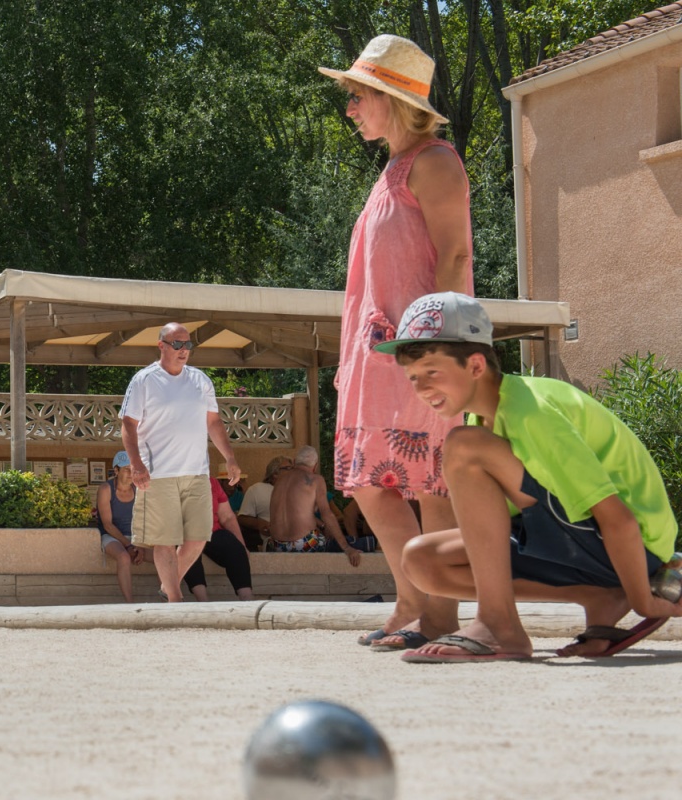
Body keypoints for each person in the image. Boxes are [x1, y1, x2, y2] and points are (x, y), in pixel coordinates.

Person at [380, 292, 682, 662]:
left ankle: (498, 626)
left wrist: (644, 601)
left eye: (432, 372)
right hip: (585, 547)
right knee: (422, 562)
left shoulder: (529, 411)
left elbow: (616, 517)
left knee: (464, 447)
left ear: (475, 366)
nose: (422, 389)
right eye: (412, 378)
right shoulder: (483, 420)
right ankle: (598, 596)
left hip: (634, 550)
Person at [320, 35, 475, 650]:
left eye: (357, 96)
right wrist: (348, 360)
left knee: (431, 482)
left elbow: (457, 255)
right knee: (367, 482)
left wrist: (439, 343)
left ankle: (439, 618)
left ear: (391, 97)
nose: (350, 108)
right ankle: (412, 598)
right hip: (375, 355)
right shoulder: (392, 169)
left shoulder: (435, 160)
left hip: (421, 350)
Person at [121, 322, 243, 602]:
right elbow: (128, 424)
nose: (184, 350)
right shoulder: (144, 379)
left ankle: (170, 585)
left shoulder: (201, 380)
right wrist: (136, 464)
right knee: (164, 540)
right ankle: (176, 600)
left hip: (197, 473)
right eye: (177, 344)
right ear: (161, 345)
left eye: (187, 344)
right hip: (158, 474)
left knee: (199, 537)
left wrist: (230, 458)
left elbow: (213, 421)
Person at [269, 446, 372, 567]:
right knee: (355, 544)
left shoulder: (280, 480)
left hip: (277, 545)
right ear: (315, 466)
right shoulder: (316, 480)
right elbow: (327, 514)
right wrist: (346, 548)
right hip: (304, 544)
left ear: (295, 461)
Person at [181, 474, 256, 601]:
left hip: (212, 531)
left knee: (235, 548)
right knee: (188, 550)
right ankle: (203, 603)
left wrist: (242, 546)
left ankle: (248, 600)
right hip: (184, 533)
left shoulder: (212, 483)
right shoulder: (175, 480)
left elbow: (227, 517)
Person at [95, 451, 146, 602]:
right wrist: (129, 545)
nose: (131, 474)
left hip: (134, 538)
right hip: (112, 536)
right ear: (116, 471)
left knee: (162, 554)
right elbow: (108, 525)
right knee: (123, 557)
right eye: (126, 469)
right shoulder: (106, 489)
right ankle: (130, 604)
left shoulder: (138, 489)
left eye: (133, 469)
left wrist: (140, 545)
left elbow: (143, 520)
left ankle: (168, 599)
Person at [236, 456, 290, 550]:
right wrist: (259, 523)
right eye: (288, 468)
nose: (292, 472)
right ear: (275, 474)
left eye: (293, 468)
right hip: (272, 540)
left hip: (297, 537)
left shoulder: (297, 491)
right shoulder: (256, 490)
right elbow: (242, 518)